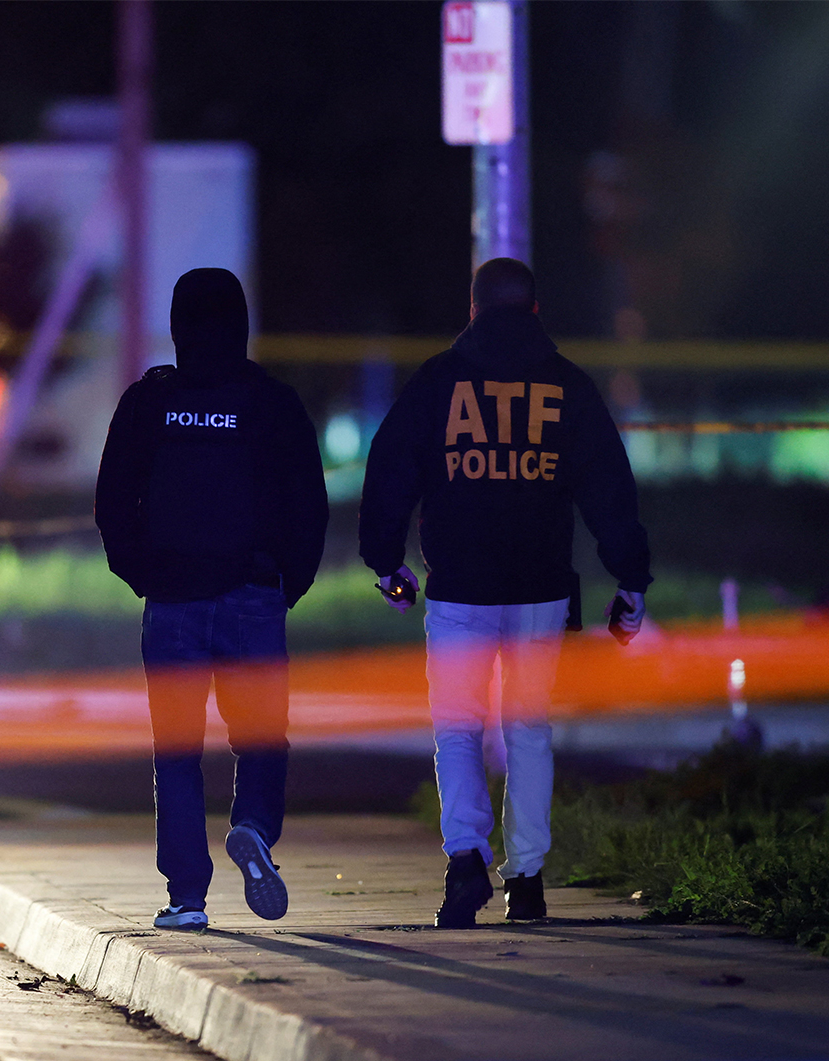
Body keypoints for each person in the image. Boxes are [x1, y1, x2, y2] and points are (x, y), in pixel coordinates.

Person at [358, 257, 651, 928]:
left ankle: (465, 864)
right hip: (540, 588)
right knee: (528, 731)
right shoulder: (566, 387)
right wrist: (629, 578)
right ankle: (527, 880)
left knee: (457, 730)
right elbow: (609, 488)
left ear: (474, 309)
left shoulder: (438, 383)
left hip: (459, 586)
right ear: (535, 311)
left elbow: (391, 465)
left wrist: (385, 561)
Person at [96, 268, 328, 931]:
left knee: (176, 749)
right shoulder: (271, 403)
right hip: (254, 595)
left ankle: (186, 897)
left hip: (171, 602)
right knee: (260, 736)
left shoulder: (149, 403)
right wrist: (289, 582)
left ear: (176, 325)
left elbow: (113, 500)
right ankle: (253, 825)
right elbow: (307, 503)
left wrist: (144, 573)